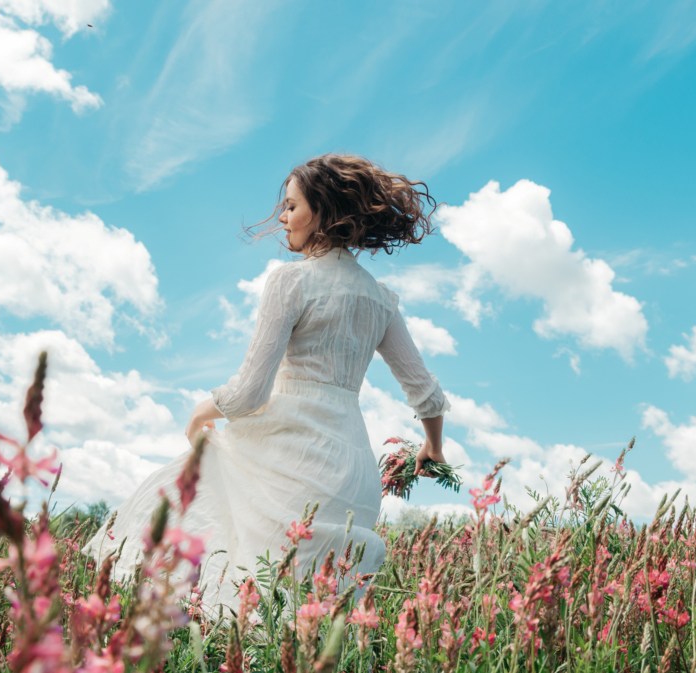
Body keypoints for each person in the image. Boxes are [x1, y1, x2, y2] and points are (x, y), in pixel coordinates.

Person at [82, 154, 450, 621]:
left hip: (287, 458)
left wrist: (202, 410)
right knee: (314, 620)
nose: (282, 217)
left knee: (231, 578)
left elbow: (250, 393)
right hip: (352, 472)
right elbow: (424, 391)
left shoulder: (291, 282)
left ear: (324, 212)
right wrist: (433, 446)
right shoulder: (380, 300)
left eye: (292, 206)